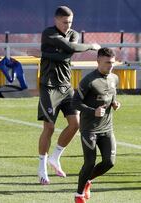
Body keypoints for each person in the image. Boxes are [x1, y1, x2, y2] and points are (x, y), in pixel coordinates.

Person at [37, 5, 101, 185]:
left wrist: (45, 53)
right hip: (48, 87)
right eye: (64, 22)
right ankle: (41, 166)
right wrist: (90, 46)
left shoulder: (73, 33)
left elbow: (68, 53)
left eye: (70, 22)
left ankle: (55, 157)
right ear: (56, 20)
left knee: (75, 124)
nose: (68, 25)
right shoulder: (48, 33)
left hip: (66, 86)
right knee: (48, 128)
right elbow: (70, 48)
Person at [73, 47, 120, 203]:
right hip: (89, 129)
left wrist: (115, 103)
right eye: (107, 62)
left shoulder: (114, 78)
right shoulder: (88, 81)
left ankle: (87, 180)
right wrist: (93, 111)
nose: (110, 66)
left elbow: (111, 95)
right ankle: (79, 195)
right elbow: (75, 102)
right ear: (98, 61)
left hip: (107, 128)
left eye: (112, 63)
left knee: (109, 162)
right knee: (90, 162)